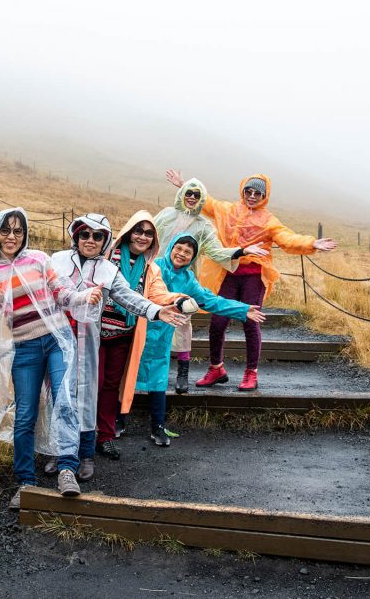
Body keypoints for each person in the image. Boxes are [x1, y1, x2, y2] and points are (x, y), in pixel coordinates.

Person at [0, 208, 102, 511]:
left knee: (64, 401)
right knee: (25, 413)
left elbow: (61, 292)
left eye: (18, 231)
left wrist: (83, 297)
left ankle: (67, 469)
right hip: (23, 350)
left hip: (55, 342)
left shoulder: (39, 260)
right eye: (5, 230)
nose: (12, 237)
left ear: (25, 234)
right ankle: (26, 482)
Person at [49, 214, 191, 480]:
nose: (90, 240)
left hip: (103, 338)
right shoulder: (58, 261)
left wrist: (157, 311)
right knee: (64, 392)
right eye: (84, 234)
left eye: (97, 236)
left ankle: (89, 451)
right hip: (62, 341)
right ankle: (63, 451)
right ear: (75, 236)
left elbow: (130, 296)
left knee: (95, 389)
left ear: (104, 240)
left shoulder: (111, 270)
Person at [167, 170, 338, 390]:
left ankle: (251, 373)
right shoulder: (227, 210)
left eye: (258, 193)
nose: (252, 196)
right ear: (243, 191)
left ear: (264, 196)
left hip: (253, 277)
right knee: (218, 322)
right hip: (228, 274)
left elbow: (287, 238)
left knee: (250, 321)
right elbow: (206, 202)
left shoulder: (269, 221)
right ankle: (216, 368)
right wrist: (183, 184)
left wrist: (311, 243)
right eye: (249, 191)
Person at [135, 233, 266, 444]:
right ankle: (117, 421)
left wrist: (242, 309)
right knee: (127, 376)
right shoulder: (153, 266)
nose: (182, 254)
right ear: (171, 248)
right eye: (179, 248)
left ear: (192, 258)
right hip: (138, 329)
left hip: (162, 336)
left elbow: (211, 301)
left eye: (188, 252)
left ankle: (157, 427)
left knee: (158, 379)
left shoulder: (189, 281)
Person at [153, 178, 268, 393]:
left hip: (183, 279)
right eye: (188, 192)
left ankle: (182, 372)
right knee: (150, 323)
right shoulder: (166, 215)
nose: (192, 197)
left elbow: (215, 251)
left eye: (197, 195)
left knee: (182, 323)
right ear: (182, 194)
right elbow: (146, 236)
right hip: (155, 274)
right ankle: (147, 372)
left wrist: (241, 251)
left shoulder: (204, 225)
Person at [96, 211, 189, 460]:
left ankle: (104, 436)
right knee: (93, 382)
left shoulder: (151, 269)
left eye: (149, 233)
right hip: (94, 334)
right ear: (129, 232)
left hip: (122, 337)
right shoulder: (106, 257)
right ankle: (81, 435)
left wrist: (177, 299)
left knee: (111, 386)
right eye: (138, 231)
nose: (143, 237)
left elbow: (158, 294)